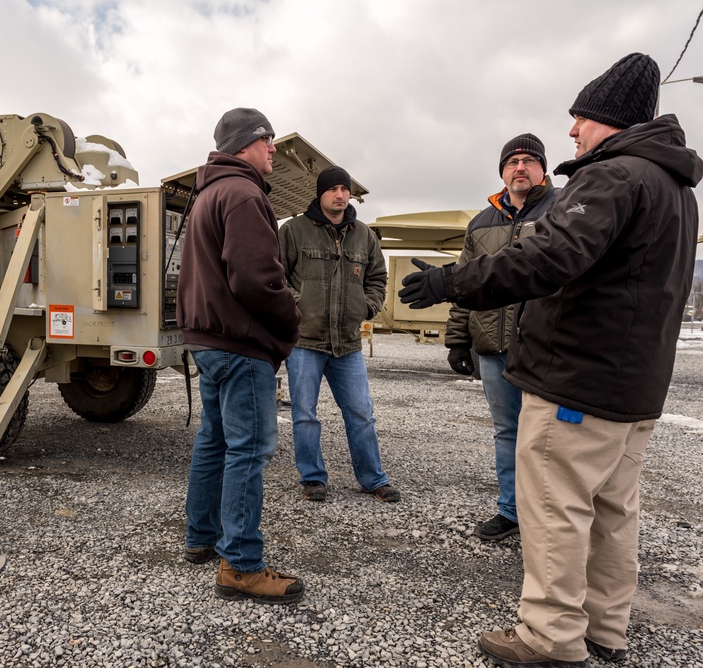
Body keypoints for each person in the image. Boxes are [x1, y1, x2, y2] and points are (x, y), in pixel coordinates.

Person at [399, 53, 702, 666]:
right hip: (633, 389)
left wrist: (450, 283)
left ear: (609, 120)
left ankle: (549, 638)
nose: (572, 132)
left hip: (576, 381)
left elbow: (548, 258)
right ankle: (604, 629)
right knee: (615, 512)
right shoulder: (675, 189)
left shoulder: (614, 176)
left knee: (555, 511)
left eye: (580, 119)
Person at [176, 107, 305, 605]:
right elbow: (256, 279)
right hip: (239, 345)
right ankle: (243, 565)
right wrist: (289, 322)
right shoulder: (243, 193)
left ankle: (201, 537)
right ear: (244, 144)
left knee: (214, 441)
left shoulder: (209, 192)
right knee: (248, 450)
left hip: (207, 342)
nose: (273, 147)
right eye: (266, 139)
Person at [445, 134, 559, 541]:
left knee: (549, 436)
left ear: (543, 169)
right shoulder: (481, 223)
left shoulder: (560, 210)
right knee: (507, 431)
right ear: (502, 172)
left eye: (529, 161)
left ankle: (548, 519)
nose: (520, 168)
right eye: (512, 162)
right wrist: (457, 340)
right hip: (493, 349)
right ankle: (510, 511)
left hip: (544, 347)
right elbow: (464, 284)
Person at [278, 166, 399, 503]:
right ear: (320, 194)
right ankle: (312, 478)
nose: (340, 194)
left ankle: (373, 479)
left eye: (344, 188)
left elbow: (377, 278)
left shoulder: (364, 236)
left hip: (347, 343)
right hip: (306, 341)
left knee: (361, 413)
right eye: (332, 188)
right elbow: (277, 276)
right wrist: (298, 304)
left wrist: (367, 307)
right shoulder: (293, 231)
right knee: (305, 414)